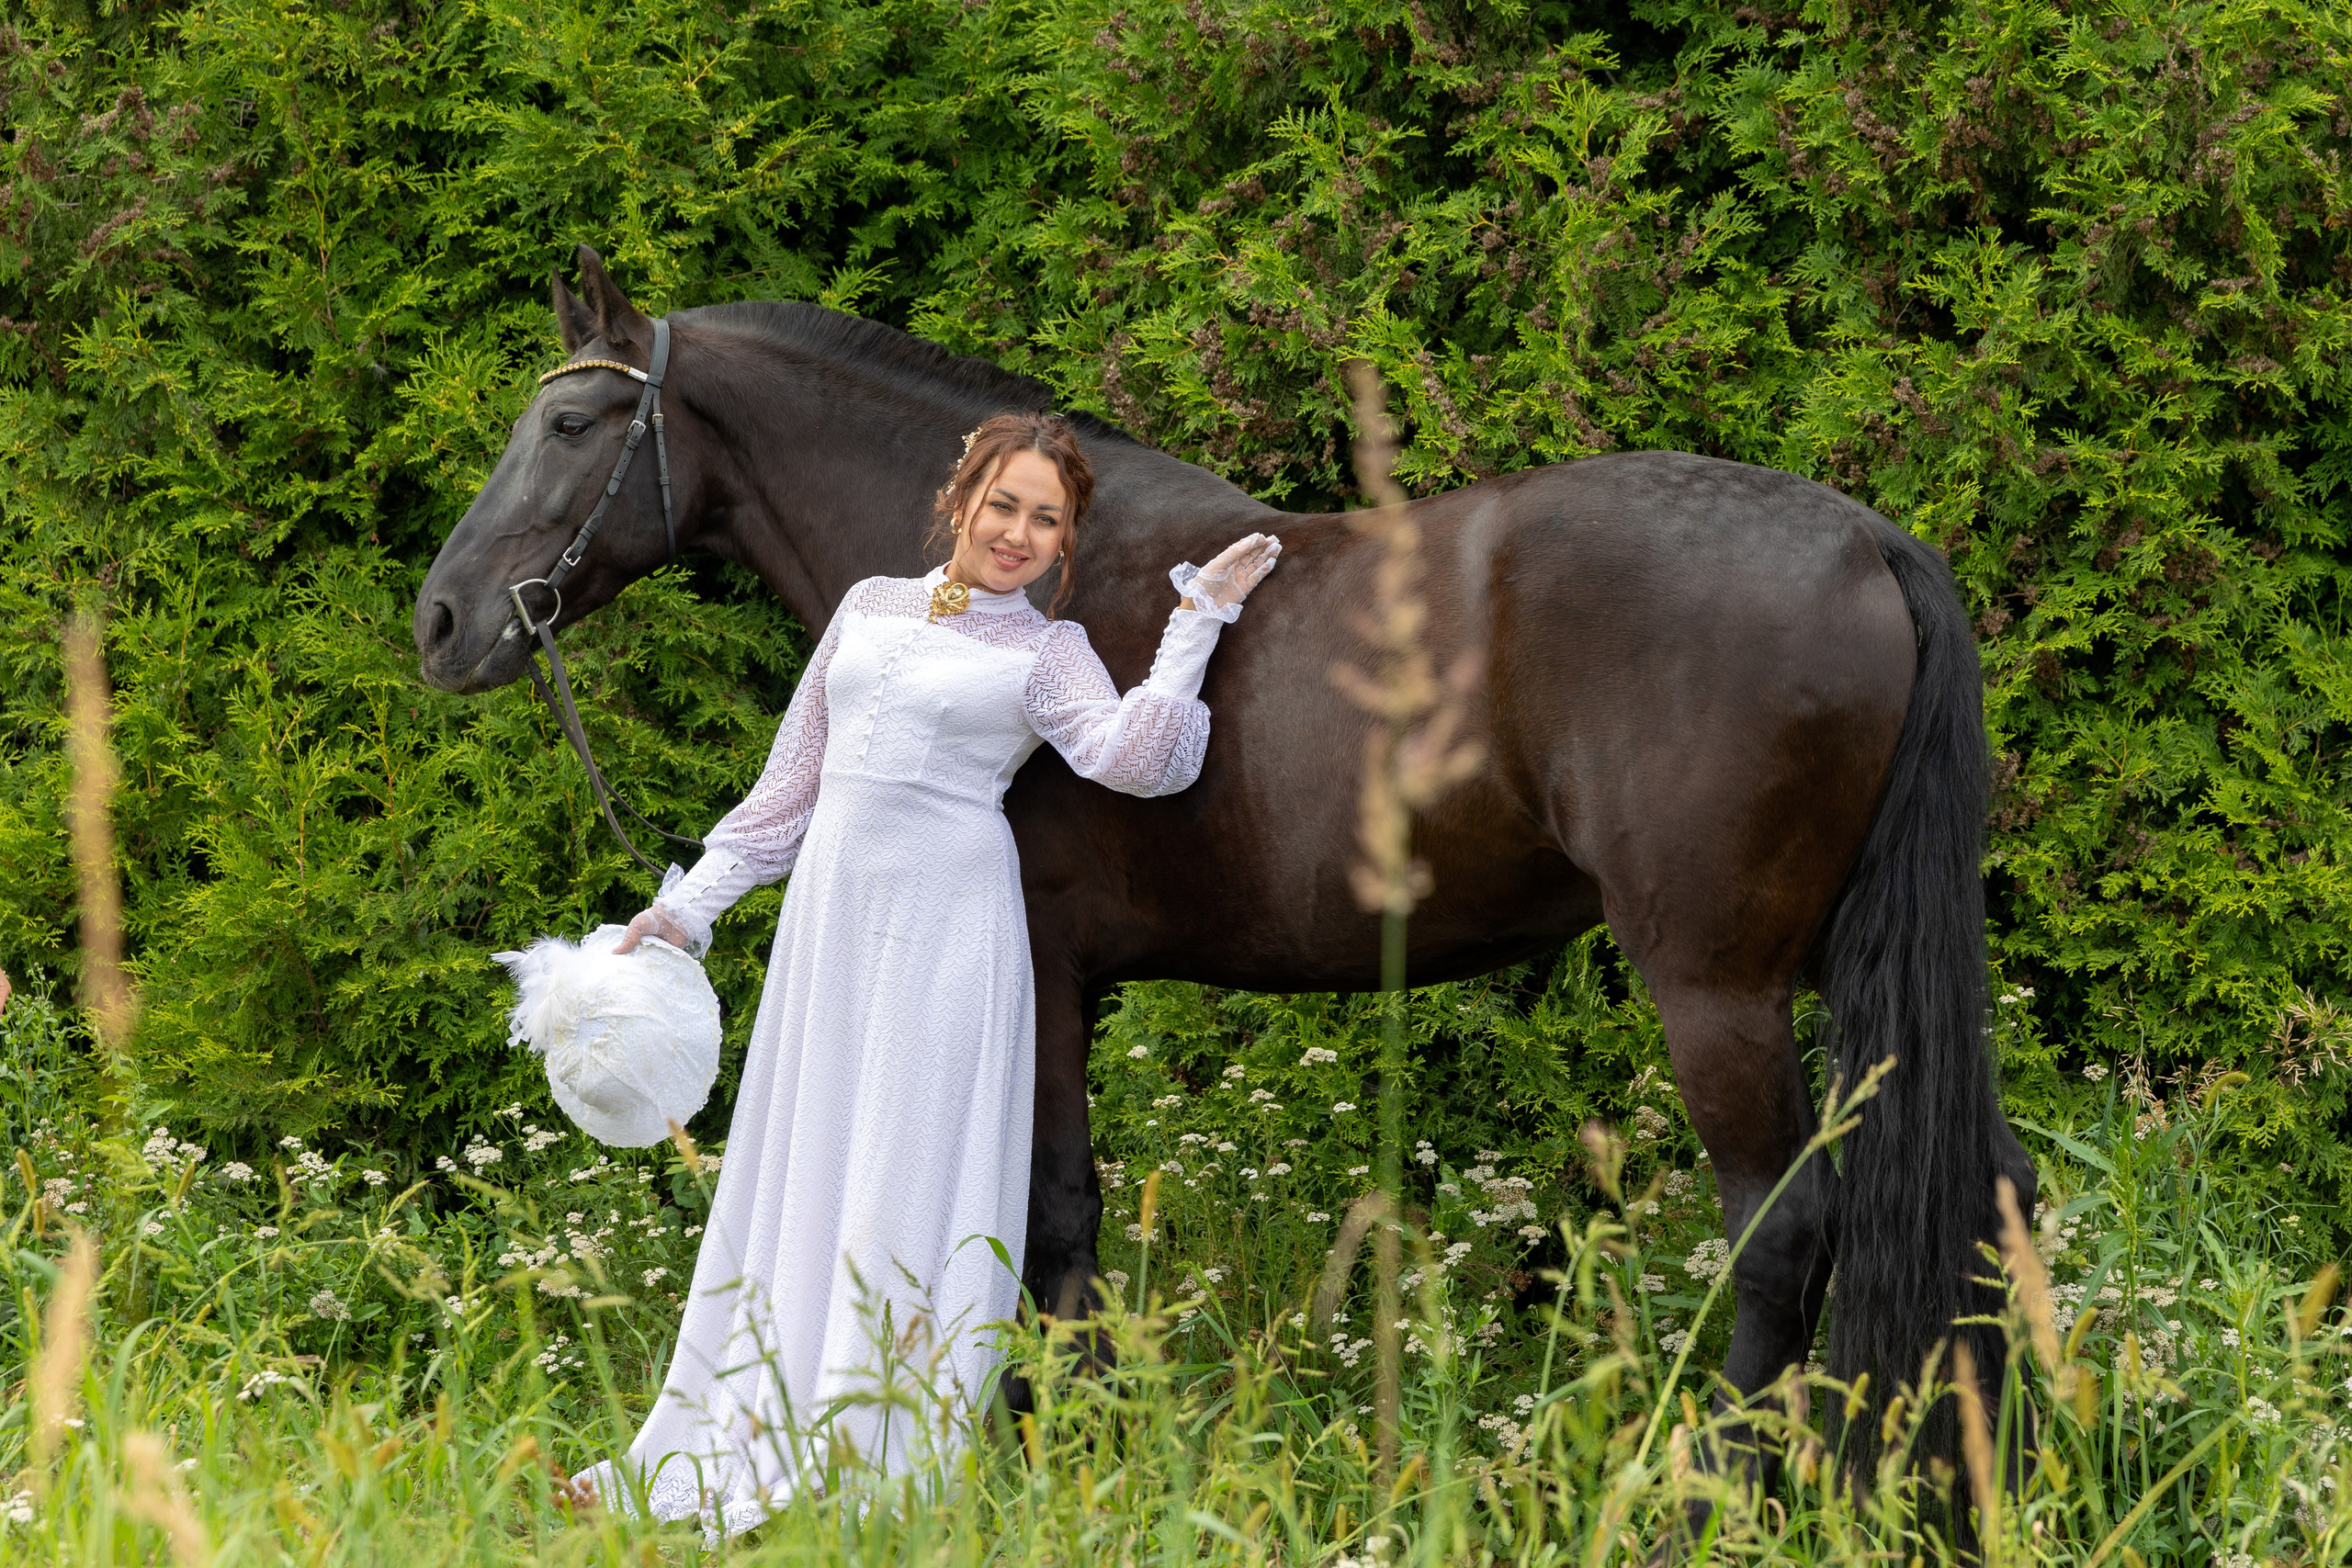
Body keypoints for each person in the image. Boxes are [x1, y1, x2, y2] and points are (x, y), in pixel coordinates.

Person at [576, 411, 1280, 1533]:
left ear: (1063, 546)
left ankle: (870, 1448)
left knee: (907, 1163)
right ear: (960, 498)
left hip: (953, 927)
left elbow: (1131, 759)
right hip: (833, 924)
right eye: (1004, 503)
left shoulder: (1049, 652)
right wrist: (687, 908)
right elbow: (788, 789)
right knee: (807, 1156)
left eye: (1046, 520)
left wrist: (1196, 625)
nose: (1017, 532)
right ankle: (735, 1430)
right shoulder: (866, 607)